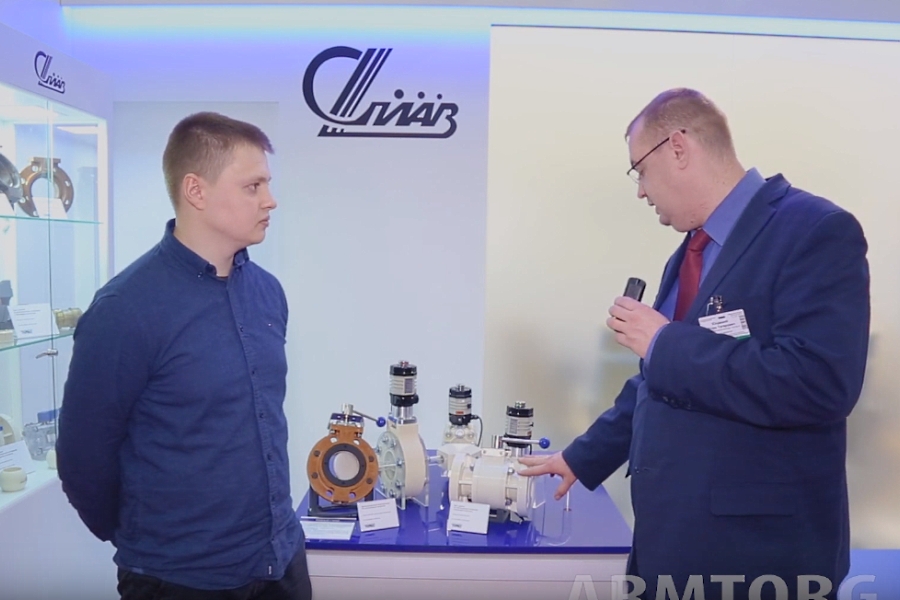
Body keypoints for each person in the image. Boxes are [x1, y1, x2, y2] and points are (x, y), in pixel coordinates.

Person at [519, 88, 870, 600]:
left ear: (678, 148)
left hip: (758, 558)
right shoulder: (690, 251)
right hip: (671, 545)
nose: (641, 192)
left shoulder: (815, 231)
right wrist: (583, 456)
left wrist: (664, 341)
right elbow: (659, 379)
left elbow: (819, 382)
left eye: (640, 170)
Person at [57, 112, 312, 600]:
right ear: (196, 190)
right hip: (179, 578)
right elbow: (82, 460)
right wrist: (150, 538)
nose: (270, 200)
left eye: (267, 184)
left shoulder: (267, 292)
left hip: (280, 562)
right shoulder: (125, 309)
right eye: (253, 186)